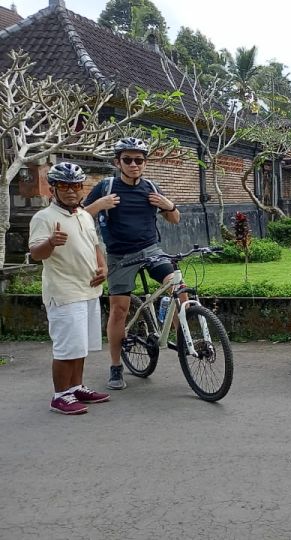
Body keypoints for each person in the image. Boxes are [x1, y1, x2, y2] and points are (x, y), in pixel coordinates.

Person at [83, 137, 181, 390]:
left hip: (151, 250)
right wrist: (98, 205)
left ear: (145, 163)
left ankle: (183, 338)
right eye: (128, 159)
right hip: (120, 256)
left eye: (139, 160)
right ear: (118, 162)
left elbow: (174, 219)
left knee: (179, 288)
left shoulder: (151, 186)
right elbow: (79, 219)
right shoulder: (105, 187)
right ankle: (116, 366)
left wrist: (169, 205)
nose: (134, 164)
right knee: (119, 310)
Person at [29, 163, 111, 414]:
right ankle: (60, 395)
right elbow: (35, 253)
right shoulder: (44, 218)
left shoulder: (84, 215)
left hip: (89, 290)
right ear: (53, 189)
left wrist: (103, 268)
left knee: (80, 345)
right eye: (64, 185)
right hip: (64, 293)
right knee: (66, 347)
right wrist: (51, 243)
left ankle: (76, 387)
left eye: (76, 185)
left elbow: (95, 245)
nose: (71, 191)